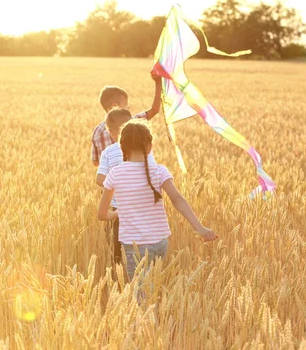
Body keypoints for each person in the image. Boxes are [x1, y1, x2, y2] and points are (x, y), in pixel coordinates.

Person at [97, 119, 218, 282]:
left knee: (140, 295)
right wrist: (200, 228)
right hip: (160, 243)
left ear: (121, 147)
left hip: (135, 246)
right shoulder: (160, 171)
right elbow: (178, 200)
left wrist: (116, 214)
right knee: (152, 286)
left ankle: (149, 308)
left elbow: (102, 214)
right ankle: (154, 307)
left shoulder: (115, 174)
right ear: (149, 146)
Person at [96, 107, 155, 266]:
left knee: (117, 250)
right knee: (141, 249)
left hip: (118, 210)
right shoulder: (146, 151)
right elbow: (152, 173)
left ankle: (119, 278)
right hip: (142, 207)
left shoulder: (108, 152)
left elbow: (99, 179)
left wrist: (117, 182)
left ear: (110, 132)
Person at [90, 74, 162, 168]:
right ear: (115, 106)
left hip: (109, 181)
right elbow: (155, 110)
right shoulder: (131, 122)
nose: (128, 108)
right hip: (132, 178)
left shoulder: (97, 131)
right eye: (126, 105)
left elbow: (95, 162)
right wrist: (158, 82)